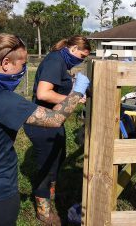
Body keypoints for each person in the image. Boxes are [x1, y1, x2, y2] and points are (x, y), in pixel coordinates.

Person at [0, 25, 90, 226]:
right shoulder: (3, 100)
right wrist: (77, 92)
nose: (24, 69)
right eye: (22, 63)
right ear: (6, 63)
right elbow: (55, 119)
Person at [23, 35, 91, 224]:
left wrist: (72, 94)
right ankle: (43, 211)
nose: (81, 60)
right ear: (72, 48)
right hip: (41, 121)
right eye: (81, 56)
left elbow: (58, 90)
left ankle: (51, 195)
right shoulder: (55, 61)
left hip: (53, 120)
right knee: (48, 166)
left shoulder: (62, 61)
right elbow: (43, 93)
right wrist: (73, 98)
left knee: (59, 157)